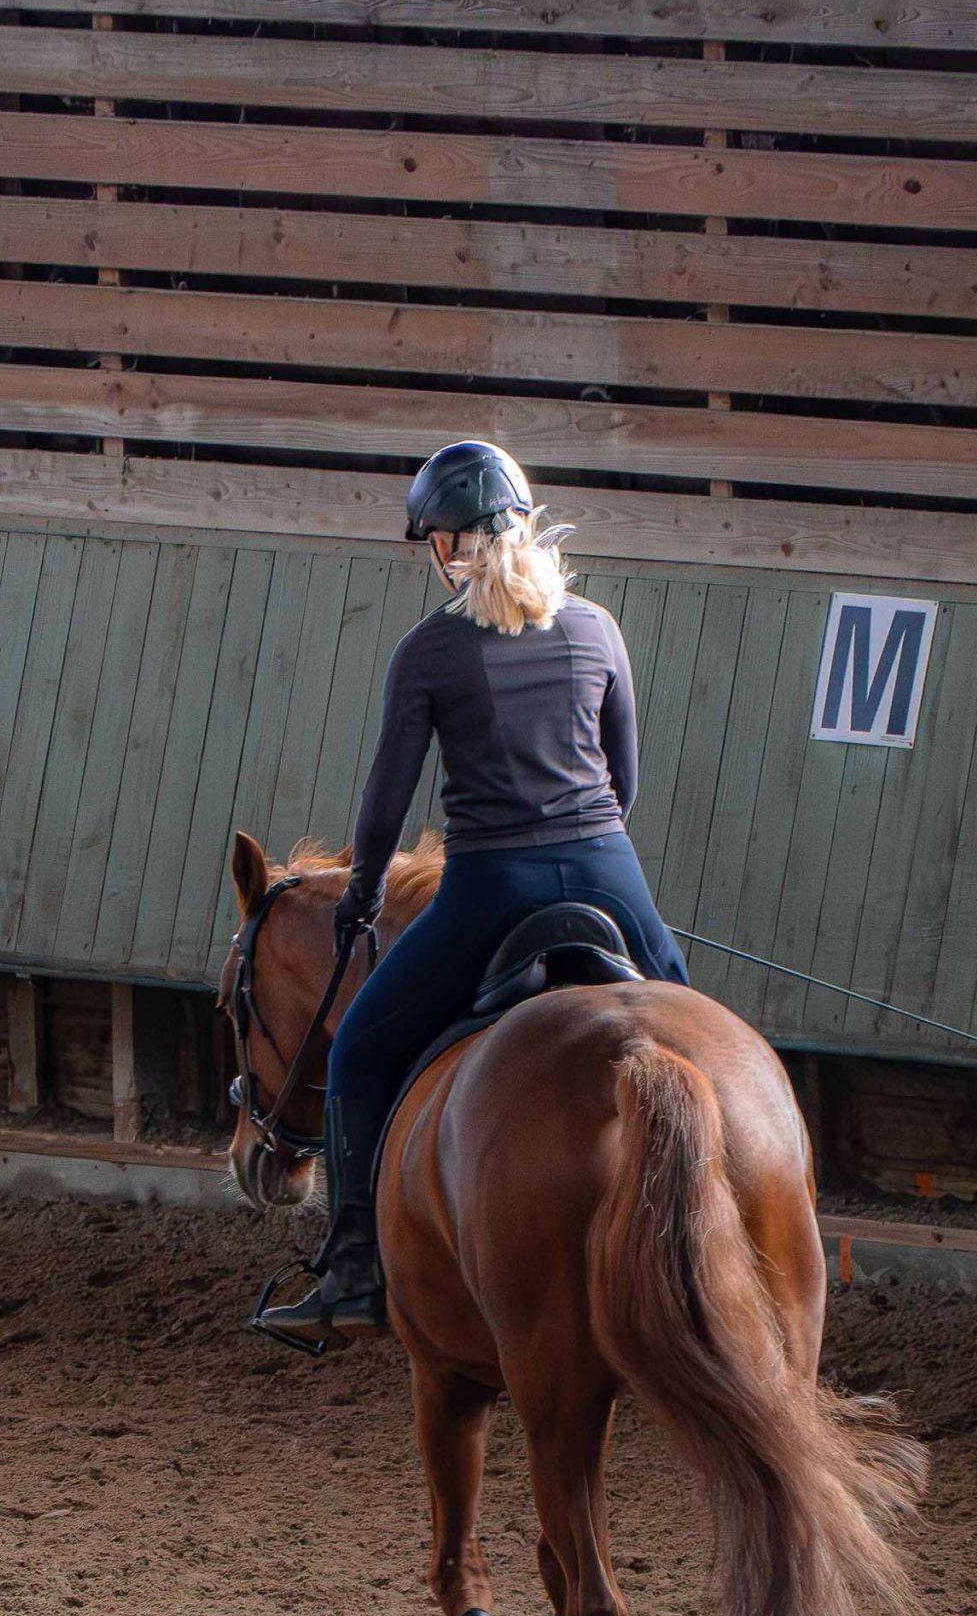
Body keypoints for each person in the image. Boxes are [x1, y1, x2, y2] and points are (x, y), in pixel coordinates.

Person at [257, 441, 689, 1342]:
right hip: (610, 866)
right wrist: (586, 838)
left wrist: (363, 897)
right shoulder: (598, 627)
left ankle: (352, 1273)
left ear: (449, 547)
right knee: (692, 1033)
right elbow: (627, 779)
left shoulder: (430, 649)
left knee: (359, 1055)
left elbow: (383, 806)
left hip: (493, 881)